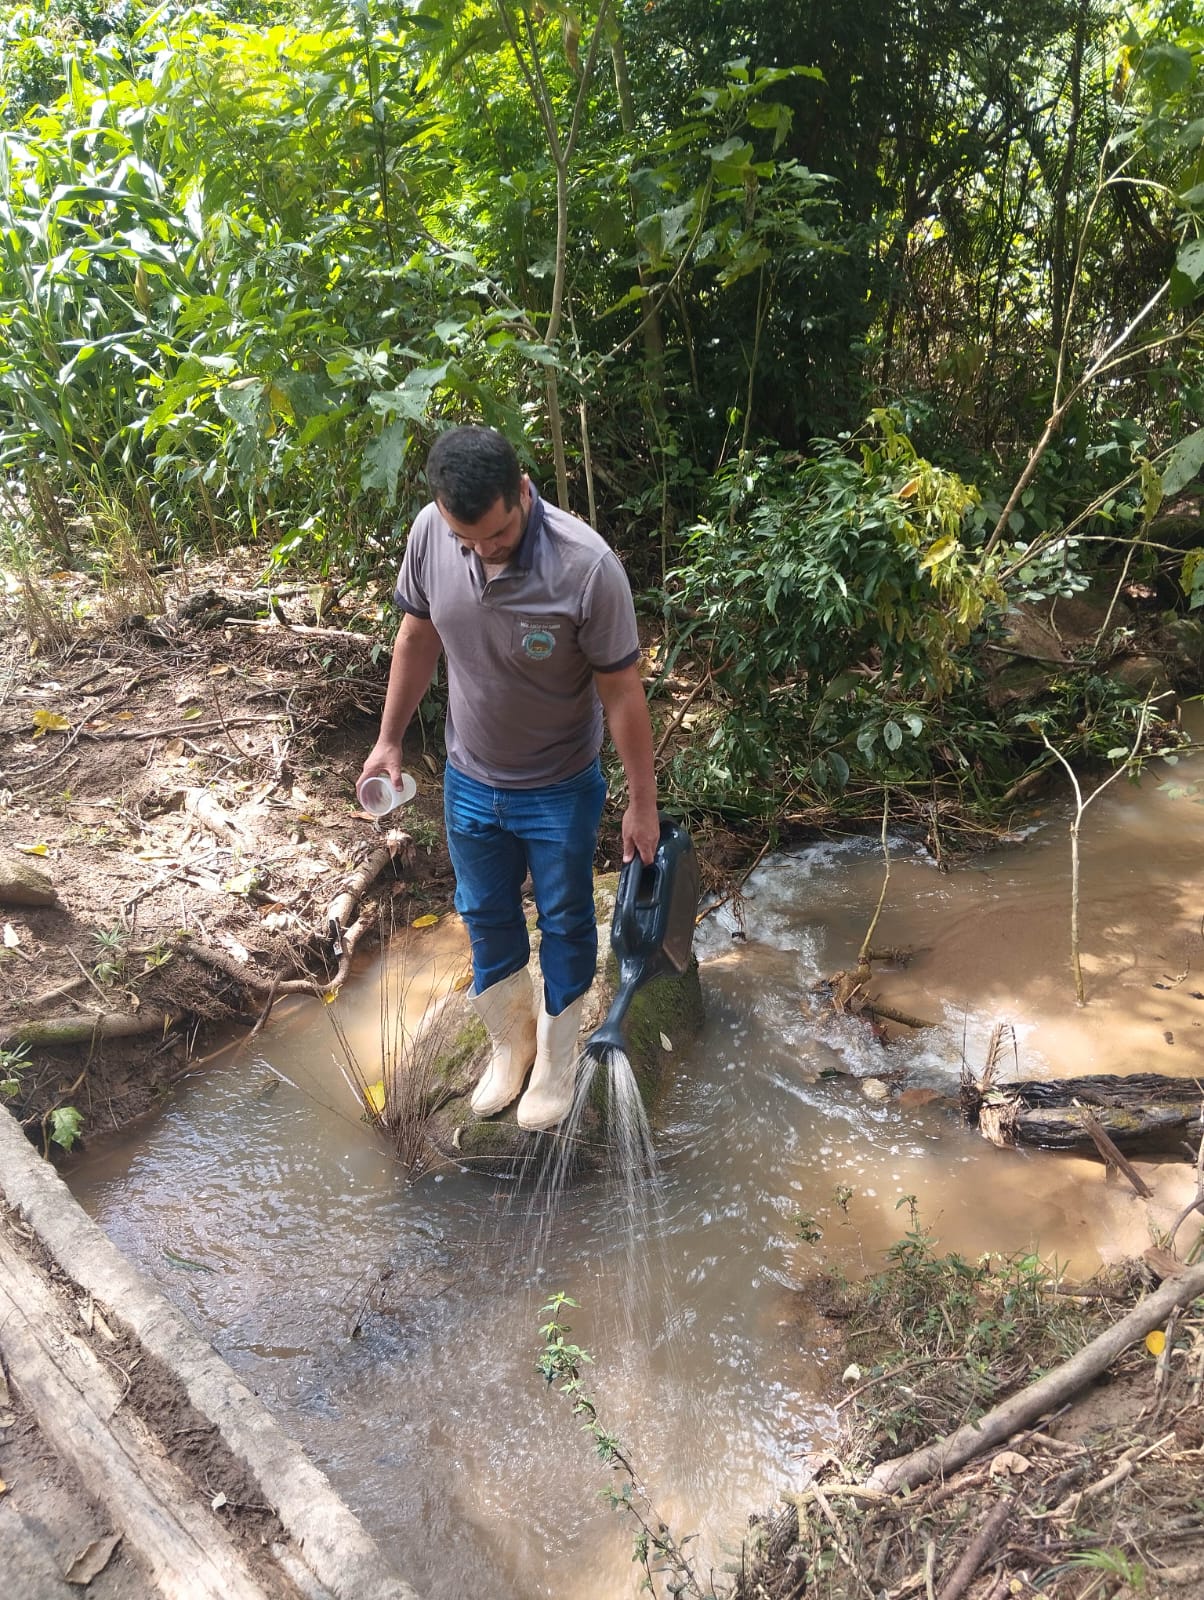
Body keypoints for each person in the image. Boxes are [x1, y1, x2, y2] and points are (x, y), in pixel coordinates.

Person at [359, 426, 659, 1131]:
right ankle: (510, 1046)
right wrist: (388, 739)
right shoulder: (433, 534)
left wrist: (641, 804)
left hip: (559, 783)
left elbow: (622, 693)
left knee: (563, 919)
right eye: (469, 541)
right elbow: (417, 635)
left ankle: (556, 1061)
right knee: (485, 912)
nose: (484, 552)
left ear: (522, 491)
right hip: (469, 779)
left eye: (495, 536)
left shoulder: (587, 567)